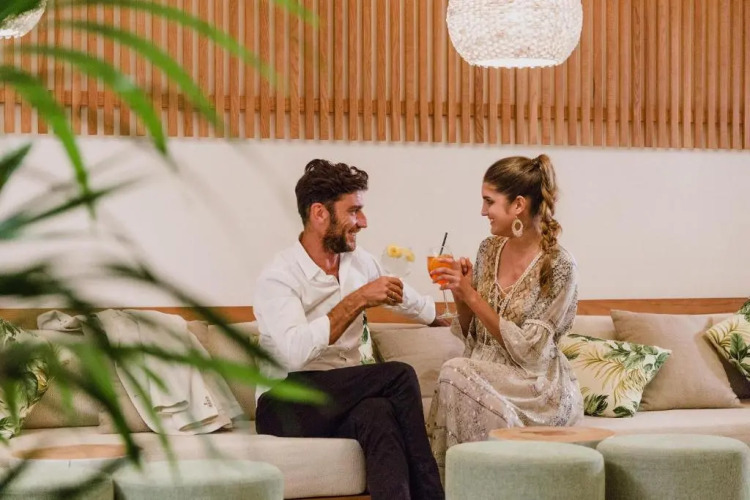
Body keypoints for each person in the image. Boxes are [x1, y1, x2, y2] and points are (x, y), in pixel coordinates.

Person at [253, 159, 445, 500]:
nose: (363, 222)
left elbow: (403, 297)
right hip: (284, 401)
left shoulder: (359, 263)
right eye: (354, 211)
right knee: (399, 376)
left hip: (342, 397)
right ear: (319, 214)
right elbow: (295, 352)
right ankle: (432, 494)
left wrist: (440, 317)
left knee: (378, 413)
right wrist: (357, 299)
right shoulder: (279, 277)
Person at [426, 154, 584, 477]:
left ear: (518, 206)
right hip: (485, 372)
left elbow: (531, 352)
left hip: (536, 388)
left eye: (489, 201)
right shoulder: (489, 250)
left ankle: (502, 477)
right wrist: (461, 292)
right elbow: (474, 335)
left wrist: (472, 295)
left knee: (455, 371)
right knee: (457, 373)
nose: (482, 211)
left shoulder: (559, 265)